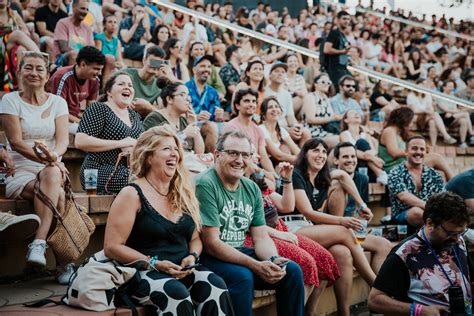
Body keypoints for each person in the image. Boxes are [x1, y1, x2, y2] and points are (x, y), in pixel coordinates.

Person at [103, 125, 234, 315]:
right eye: (166, 149)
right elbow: (112, 247)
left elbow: (196, 239)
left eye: (176, 149)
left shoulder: (183, 193)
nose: (174, 154)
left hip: (182, 270)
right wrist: (154, 262)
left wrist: (193, 257)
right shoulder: (131, 194)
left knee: (215, 284)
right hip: (143, 271)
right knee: (175, 294)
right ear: (148, 157)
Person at [195, 130, 305, 316]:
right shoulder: (206, 184)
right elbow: (212, 243)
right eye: (233, 153)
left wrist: (272, 260)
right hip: (207, 257)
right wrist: (255, 265)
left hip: (237, 252)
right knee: (243, 277)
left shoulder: (251, 188)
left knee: (290, 271)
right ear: (217, 155)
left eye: (245, 155)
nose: (239, 160)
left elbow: (261, 237)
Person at [284, 137, 377, 316]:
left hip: (308, 228)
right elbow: (308, 212)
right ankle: (376, 284)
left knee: (342, 253)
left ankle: (343, 312)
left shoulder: (321, 177)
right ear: (305, 154)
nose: (321, 155)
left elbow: (342, 175)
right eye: (315, 151)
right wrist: (341, 220)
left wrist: (362, 205)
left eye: (324, 152)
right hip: (291, 229)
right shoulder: (297, 174)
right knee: (344, 231)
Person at [0, 51, 72, 283]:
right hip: (20, 168)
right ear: (19, 72)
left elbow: (62, 142)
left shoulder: (58, 102)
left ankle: (38, 243)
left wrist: (54, 158)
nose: (34, 73)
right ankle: (64, 265)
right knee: (58, 196)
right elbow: (17, 142)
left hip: (50, 165)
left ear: (48, 74)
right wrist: (50, 160)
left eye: (39, 68)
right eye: (28, 68)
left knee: (52, 175)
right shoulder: (9, 100)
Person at [243, 162, 340, 316]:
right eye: (251, 154)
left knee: (324, 258)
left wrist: (287, 180)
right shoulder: (236, 183)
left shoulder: (258, 182)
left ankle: (309, 313)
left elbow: (286, 206)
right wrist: (279, 234)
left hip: (279, 230)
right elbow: (246, 224)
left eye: (252, 154)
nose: (255, 158)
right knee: (306, 263)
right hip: (258, 236)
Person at [368, 192, 472, 316]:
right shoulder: (404, 254)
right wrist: (418, 311)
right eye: (450, 233)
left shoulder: (458, 241)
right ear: (430, 224)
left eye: (460, 232)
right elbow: (374, 300)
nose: (456, 238)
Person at [75, 72, 143, 195]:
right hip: (97, 171)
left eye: (130, 85)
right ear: (109, 92)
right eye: (121, 84)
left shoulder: (135, 115)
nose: (127, 87)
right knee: (140, 180)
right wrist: (120, 143)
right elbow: (80, 141)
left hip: (129, 169)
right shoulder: (99, 108)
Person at [333, 142, 392, 273]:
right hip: (335, 231)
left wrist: (362, 218)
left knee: (385, 245)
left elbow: (359, 213)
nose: (350, 160)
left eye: (353, 156)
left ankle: (378, 291)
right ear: (336, 160)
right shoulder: (331, 178)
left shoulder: (362, 179)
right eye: (345, 157)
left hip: (353, 231)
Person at [388, 136, 446, 227]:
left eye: (422, 149)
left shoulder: (434, 174)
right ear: (406, 151)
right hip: (403, 216)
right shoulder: (395, 172)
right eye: (414, 148)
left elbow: (442, 198)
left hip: (432, 215)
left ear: (426, 152)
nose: (418, 152)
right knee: (416, 212)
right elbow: (403, 196)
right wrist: (430, 208)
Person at [48, 46, 105, 134]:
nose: (100, 73)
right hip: (56, 118)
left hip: (75, 118)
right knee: (87, 133)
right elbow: (57, 110)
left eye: (101, 69)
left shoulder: (94, 79)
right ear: (83, 65)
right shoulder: (62, 76)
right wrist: (83, 123)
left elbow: (91, 108)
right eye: (96, 69)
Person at [224, 89, 276, 178]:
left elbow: (264, 158)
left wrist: (273, 174)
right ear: (237, 106)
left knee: (274, 180)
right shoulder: (231, 127)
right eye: (246, 101)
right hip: (239, 169)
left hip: (255, 169)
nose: (251, 104)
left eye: (254, 101)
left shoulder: (258, 129)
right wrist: (264, 173)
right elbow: (238, 158)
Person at [143, 78, 204, 154]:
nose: (188, 99)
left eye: (188, 95)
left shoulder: (184, 121)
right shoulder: (154, 118)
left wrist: (194, 124)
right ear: (169, 99)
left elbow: (200, 153)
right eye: (182, 95)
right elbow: (156, 147)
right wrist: (184, 134)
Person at [264, 62, 310, 147]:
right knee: (287, 149)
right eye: (277, 71)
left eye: (283, 72)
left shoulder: (286, 94)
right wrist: (286, 130)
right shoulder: (264, 92)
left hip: (285, 128)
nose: (280, 74)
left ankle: (302, 158)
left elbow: (290, 117)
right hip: (271, 128)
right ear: (270, 75)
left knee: (305, 133)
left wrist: (297, 127)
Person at [122, 45, 175, 118]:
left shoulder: (160, 85)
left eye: (158, 63)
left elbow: (171, 110)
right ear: (144, 60)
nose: (155, 65)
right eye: (153, 62)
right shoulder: (126, 74)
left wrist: (170, 77)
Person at [185, 55, 224, 153]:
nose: (206, 69)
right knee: (210, 126)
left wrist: (219, 116)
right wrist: (196, 116)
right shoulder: (185, 88)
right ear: (194, 70)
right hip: (189, 124)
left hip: (210, 126)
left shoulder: (213, 92)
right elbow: (178, 112)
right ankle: (211, 162)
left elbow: (216, 116)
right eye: (203, 66)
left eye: (209, 67)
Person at [340, 110, 388, 185]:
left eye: (357, 113)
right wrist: (370, 157)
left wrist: (369, 156)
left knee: (362, 142)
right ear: (346, 120)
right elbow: (350, 151)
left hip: (368, 170)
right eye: (352, 113)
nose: (356, 113)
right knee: (361, 142)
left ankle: (379, 174)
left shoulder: (365, 135)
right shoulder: (344, 134)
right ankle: (379, 173)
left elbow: (374, 151)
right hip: (353, 167)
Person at [407, 78, 457, 149]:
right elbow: (414, 111)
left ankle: (433, 145)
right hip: (415, 117)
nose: (424, 85)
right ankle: (446, 136)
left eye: (425, 84)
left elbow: (431, 109)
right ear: (417, 85)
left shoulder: (427, 95)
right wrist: (425, 110)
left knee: (432, 122)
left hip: (427, 117)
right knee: (435, 114)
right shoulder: (411, 95)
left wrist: (427, 111)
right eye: (422, 84)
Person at [302, 73, 341, 149]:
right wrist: (331, 118)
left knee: (346, 137)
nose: (326, 84)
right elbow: (310, 119)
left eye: (328, 82)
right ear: (315, 84)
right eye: (323, 82)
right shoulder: (310, 97)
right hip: (313, 131)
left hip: (326, 131)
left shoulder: (327, 98)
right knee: (341, 140)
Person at [259, 97, 300, 164]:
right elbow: (278, 156)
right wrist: (302, 160)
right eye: (270, 107)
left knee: (286, 149)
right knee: (285, 150)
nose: (274, 109)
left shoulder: (281, 130)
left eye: (276, 106)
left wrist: (304, 158)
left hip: (281, 165)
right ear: (263, 114)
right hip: (268, 166)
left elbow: (297, 151)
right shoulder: (261, 129)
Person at [52, 0, 94, 64]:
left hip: (83, 59)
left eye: (87, 9)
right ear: (73, 7)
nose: (85, 12)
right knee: (74, 54)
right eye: (82, 8)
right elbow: (64, 48)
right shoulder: (62, 23)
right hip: (62, 59)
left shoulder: (87, 28)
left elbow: (91, 49)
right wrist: (83, 56)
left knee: (108, 58)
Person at [323, 10, 352, 89]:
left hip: (343, 67)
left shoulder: (342, 35)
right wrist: (342, 51)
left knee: (352, 86)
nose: (346, 21)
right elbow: (326, 49)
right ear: (338, 20)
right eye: (344, 19)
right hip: (335, 68)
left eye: (348, 19)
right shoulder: (334, 32)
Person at [94, 15, 126, 82]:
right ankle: (104, 88)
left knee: (124, 68)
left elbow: (120, 60)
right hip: (102, 65)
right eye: (110, 22)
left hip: (113, 66)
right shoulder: (99, 37)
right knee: (110, 58)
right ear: (104, 25)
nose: (113, 24)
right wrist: (114, 63)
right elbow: (97, 56)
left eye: (115, 22)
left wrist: (121, 65)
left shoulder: (117, 41)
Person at [285, 54, 308, 118]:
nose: (293, 63)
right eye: (290, 61)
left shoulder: (300, 78)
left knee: (305, 99)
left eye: (295, 61)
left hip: (299, 106)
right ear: (286, 64)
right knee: (301, 99)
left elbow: (305, 94)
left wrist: (297, 93)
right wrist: (297, 92)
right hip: (285, 105)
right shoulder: (283, 76)